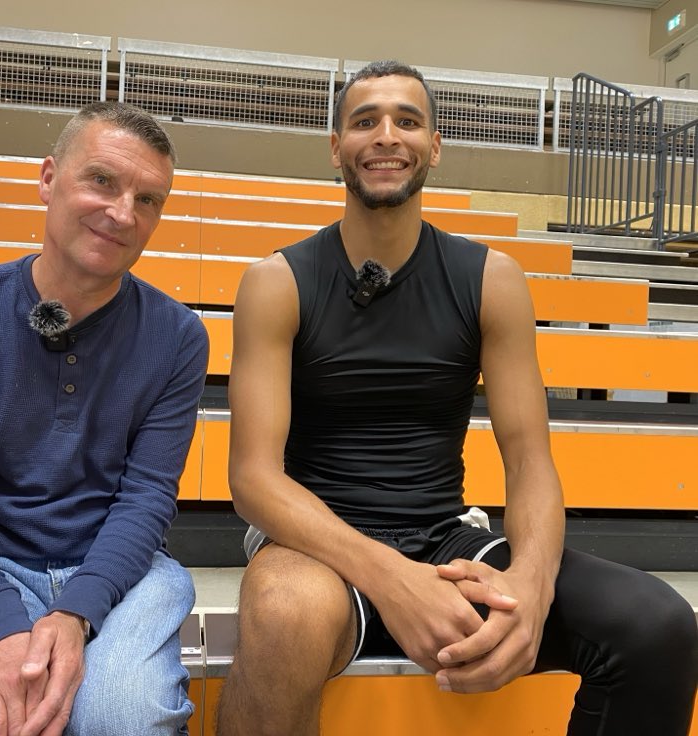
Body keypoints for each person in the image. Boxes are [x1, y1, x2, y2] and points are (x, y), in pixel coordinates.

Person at [216, 61, 698, 736]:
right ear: (336, 147)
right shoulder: (276, 282)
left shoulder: (491, 279)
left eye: (408, 121)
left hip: (444, 537)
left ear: (435, 145)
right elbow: (254, 479)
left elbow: (529, 461)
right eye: (365, 121)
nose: (387, 136)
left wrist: (530, 586)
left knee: (657, 626)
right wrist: (393, 578)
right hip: (316, 549)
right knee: (282, 616)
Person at [0, 102, 209, 736]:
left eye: (148, 200)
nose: (123, 213)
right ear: (48, 178)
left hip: (120, 571)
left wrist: (77, 612)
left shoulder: (179, 337)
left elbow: (147, 497)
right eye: (102, 180)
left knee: (124, 717)